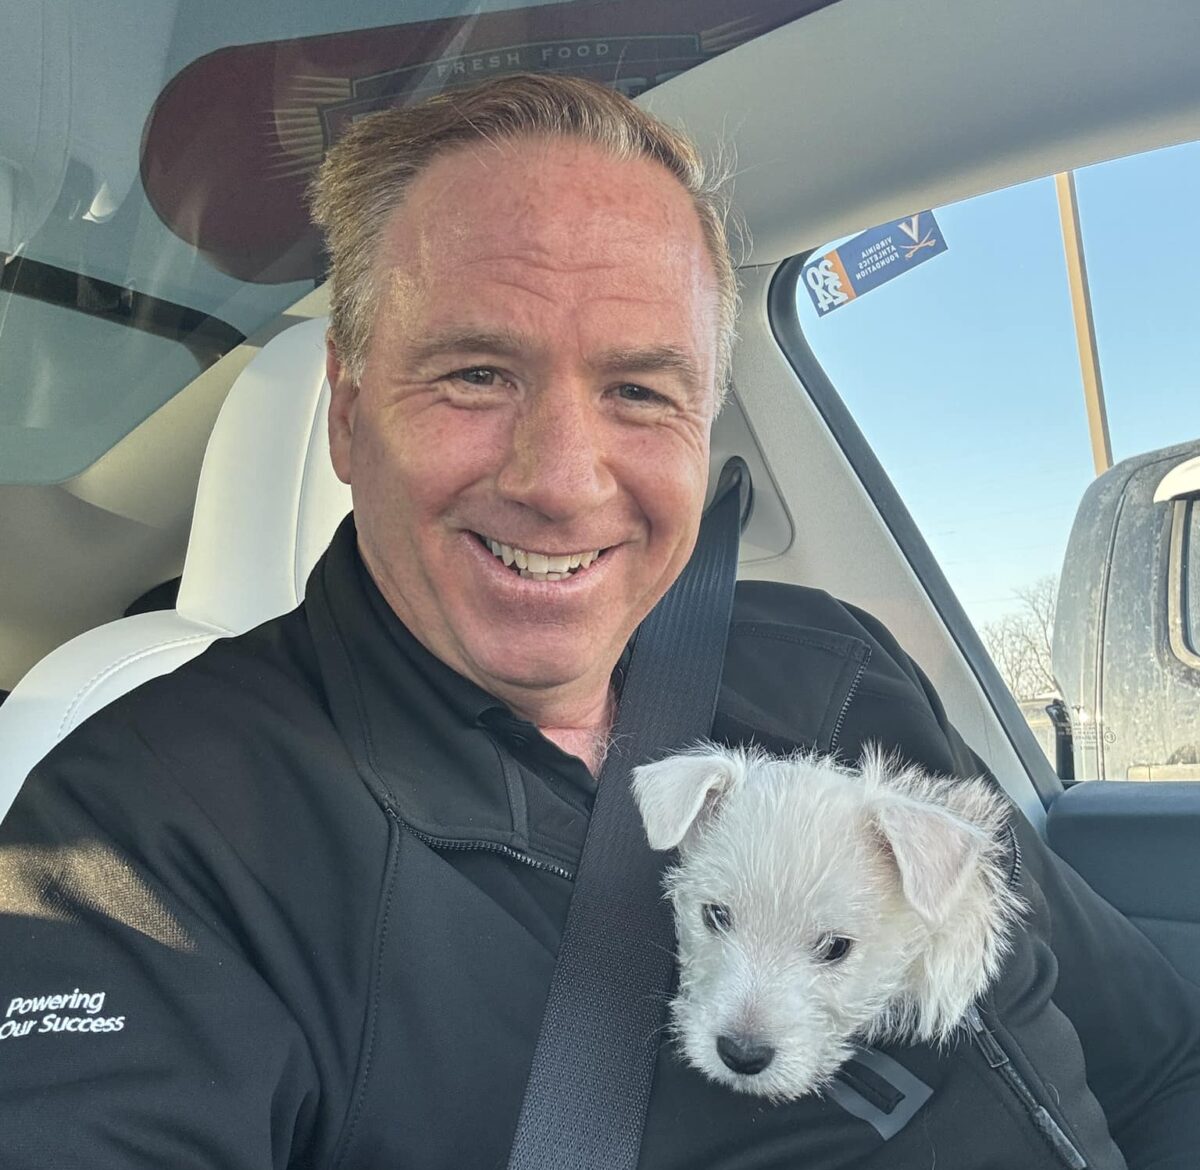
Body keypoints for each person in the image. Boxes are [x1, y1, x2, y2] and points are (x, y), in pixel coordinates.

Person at [0, 73, 1198, 1170]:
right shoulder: (142, 833)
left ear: (702, 426)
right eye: (477, 374)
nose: (563, 481)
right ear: (351, 417)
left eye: (637, 389)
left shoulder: (838, 667)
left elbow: (1161, 1063)